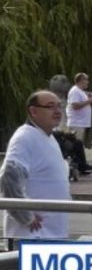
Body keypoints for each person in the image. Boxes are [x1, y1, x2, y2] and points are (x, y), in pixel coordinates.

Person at [1, 91, 72, 239]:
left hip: (52, 234)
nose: (58, 111)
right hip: (33, 235)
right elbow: (9, 177)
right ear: (33, 111)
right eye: (50, 106)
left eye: (59, 106)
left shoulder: (48, 137)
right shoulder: (25, 137)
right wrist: (26, 217)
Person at [64, 73, 92, 174]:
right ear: (80, 81)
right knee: (76, 146)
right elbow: (75, 106)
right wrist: (88, 101)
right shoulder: (75, 91)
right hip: (76, 123)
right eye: (86, 80)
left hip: (82, 123)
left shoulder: (80, 91)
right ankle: (80, 166)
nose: (87, 82)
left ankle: (82, 165)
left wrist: (88, 98)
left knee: (79, 145)